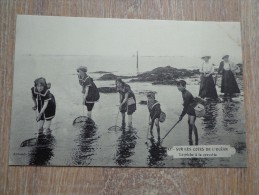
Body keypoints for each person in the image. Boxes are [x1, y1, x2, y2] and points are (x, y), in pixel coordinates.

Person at [177, 80, 198, 145]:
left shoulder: (187, 94)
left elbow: (185, 107)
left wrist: (181, 116)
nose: (178, 88)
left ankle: (194, 139)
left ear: (184, 86)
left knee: (191, 123)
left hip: (193, 109)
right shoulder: (183, 92)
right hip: (189, 108)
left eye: (180, 86)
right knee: (190, 123)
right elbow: (186, 104)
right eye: (177, 86)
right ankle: (191, 138)